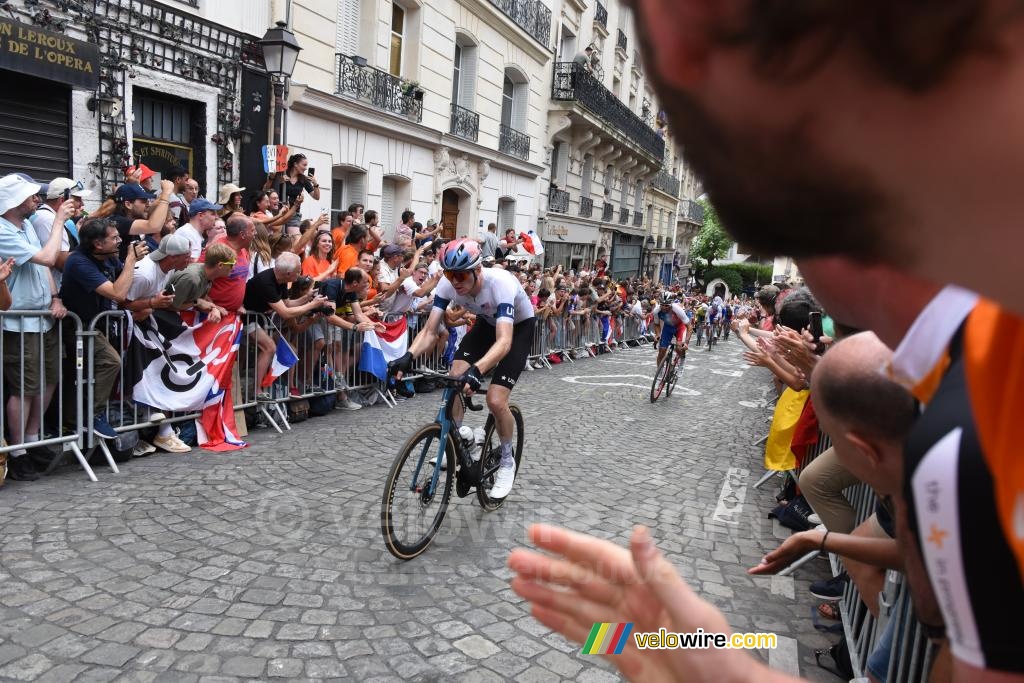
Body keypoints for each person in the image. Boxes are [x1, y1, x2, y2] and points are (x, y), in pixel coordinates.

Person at [389, 238, 536, 499]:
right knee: (455, 375)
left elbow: (504, 342)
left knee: (495, 399)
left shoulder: (499, 283)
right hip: (485, 326)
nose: (455, 281)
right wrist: (407, 357)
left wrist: (478, 371)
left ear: (477, 270)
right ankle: (456, 442)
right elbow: (431, 330)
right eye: (449, 274)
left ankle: (505, 460)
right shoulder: (447, 284)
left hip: (517, 329)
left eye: (460, 275)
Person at [0, 175, 72, 480]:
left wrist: (55, 297)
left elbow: (44, 266)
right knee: (24, 387)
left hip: (42, 315)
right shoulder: (2, 230)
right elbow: (46, 256)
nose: (37, 199)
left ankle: (32, 439)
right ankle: (17, 452)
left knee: (49, 379)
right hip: (18, 320)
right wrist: (58, 222)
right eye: (31, 196)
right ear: (14, 201)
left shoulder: (26, 225)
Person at [59, 217, 144, 439]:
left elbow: (125, 282)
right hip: (79, 326)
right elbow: (118, 292)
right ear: (97, 243)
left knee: (85, 373)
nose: (120, 241)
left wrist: (132, 262)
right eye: (114, 238)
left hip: (99, 323)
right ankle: (91, 416)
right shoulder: (78, 262)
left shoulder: (106, 258)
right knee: (109, 361)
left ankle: (78, 419)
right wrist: (128, 262)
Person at [123, 234, 193, 454]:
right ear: (171, 257)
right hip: (126, 328)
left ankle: (158, 428)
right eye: (186, 256)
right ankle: (147, 429)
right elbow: (120, 301)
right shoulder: (144, 273)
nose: (190, 260)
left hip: (143, 325)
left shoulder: (169, 269)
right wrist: (151, 303)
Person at [243, 252, 330, 386]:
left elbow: (288, 304)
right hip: (246, 317)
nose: (300, 273)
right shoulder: (266, 282)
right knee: (269, 347)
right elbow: (285, 313)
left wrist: (307, 297)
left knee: (287, 348)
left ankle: (283, 386)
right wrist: (311, 305)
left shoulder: (281, 279)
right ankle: (258, 390)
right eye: (298, 270)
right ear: (288, 273)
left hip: (261, 318)